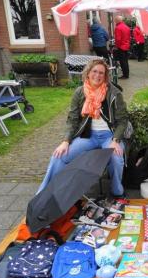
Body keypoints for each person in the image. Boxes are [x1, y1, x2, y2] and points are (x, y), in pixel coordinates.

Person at [37, 59, 129, 203]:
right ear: (88, 73)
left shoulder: (114, 93)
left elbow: (123, 121)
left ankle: (117, 192)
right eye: (94, 71)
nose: (97, 75)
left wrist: (115, 140)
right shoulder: (80, 92)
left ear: (105, 76)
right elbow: (72, 119)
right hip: (88, 136)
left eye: (101, 73)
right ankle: (44, 195)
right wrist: (65, 141)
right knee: (59, 155)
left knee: (117, 158)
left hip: (109, 136)